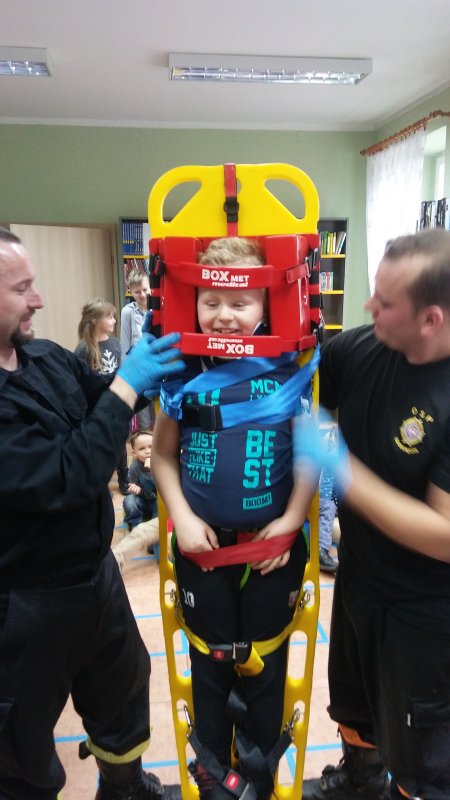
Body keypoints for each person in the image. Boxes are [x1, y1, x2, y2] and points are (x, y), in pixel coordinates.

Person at [0, 228, 185, 800]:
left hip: (96, 580)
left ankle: (124, 788)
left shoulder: (44, 357)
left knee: (123, 692)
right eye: (21, 289)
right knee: (19, 750)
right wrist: (129, 384)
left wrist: (146, 364)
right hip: (25, 605)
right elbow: (69, 475)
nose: (38, 300)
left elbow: (103, 396)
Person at [151, 237, 317, 800]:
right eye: (211, 302)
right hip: (203, 549)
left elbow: (308, 457)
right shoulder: (184, 373)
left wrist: (291, 523)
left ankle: (259, 783)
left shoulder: (288, 369)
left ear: (267, 304)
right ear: (194, 302)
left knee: (265, 669)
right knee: (209, 667)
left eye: (240, 302)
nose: (224, 315)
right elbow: (162, 455)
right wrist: (181, 517)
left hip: (272, 551)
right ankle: (214, 784)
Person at [295, 228, 450, 800]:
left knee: (422, 760)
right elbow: (295, 378)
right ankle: (360, 783)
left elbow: (445, 535)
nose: (367, 307)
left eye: (385, 302)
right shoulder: (363, 348)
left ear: (430, 319)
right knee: (354, 707)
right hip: (360, 578)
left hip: (423, 612)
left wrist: (342, 469)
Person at [75, 297, 129, 494]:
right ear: (95, 320)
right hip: (94, 405)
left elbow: (119, 371)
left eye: (114, 317)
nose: (114, 321)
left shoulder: (115, 343)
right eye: (109, 317)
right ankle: (100, 481)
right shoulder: (84, 348)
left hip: (114, 399)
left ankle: (124, 478)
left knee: (119, 439)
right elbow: (80, 379)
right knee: (99, 442)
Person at [121, 267, 154, 430]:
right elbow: (125, 344)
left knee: (159, 412)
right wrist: (126, 374)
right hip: (138, 368)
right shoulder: (128, 312)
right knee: (144, 417)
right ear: (130, 292)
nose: (142, 295)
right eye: (137, 292)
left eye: (145, 290)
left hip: (156, 365)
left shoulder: (158, 308)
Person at [123, 429, 158, 530]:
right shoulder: (135, 467)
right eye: (142, 448)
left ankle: (156, 527)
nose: (148, 451)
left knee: (164, 503)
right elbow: (133, 487)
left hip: (158, 504)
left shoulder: (162, 464)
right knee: (129, 500)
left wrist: (154, 471)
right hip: (144, 503)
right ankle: (136, 526)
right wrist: (136, 489)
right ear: (134, 453)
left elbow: (167, 489)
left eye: (151, 446)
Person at [318, 422, 339, 574]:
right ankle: (321, 549)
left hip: (328, 492)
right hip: (323, 493)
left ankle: (321, 548)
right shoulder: (331, 437)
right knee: (327, 510)